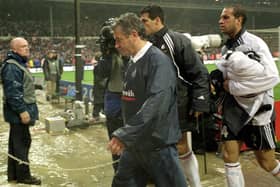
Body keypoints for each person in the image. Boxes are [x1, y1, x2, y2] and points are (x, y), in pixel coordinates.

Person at [107, 13, 187, 187]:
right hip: (136, 145)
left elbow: (156, 104)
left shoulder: (158, 62)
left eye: (119, 39)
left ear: (134, 34)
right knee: (122, 182)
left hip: (157, 146)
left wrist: (124, 134)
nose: (116, 45)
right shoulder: (132, 61)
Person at [140, 5, 210, 187]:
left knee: (181, 148)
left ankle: (195, 184)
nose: (142, 25)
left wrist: (199, 102)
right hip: (156, 106)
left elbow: (199, 73)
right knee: (160, 148)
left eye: (144, 21)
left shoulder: (176, 41)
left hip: (178, 104)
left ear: (157, 20)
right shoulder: (146, 45)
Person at [218, 4, 280, 186]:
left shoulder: (255, 43)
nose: (220, 21)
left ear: (239, 20)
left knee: (266, 162)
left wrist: (234, 87)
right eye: (221, 17)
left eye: (226, 17)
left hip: (258, 109)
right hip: (234, 109)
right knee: (229, 155)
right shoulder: (225, 47)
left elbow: (272, 77)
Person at [1, 37, 41, 185]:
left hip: (17, 113)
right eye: (23, 46)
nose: (27, 48)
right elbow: (13, 93)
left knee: (15, 143)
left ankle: (14, 175)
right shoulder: (12, 66)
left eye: (27, 46)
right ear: (14, 50)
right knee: (22, 144)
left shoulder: (17, 64)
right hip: (18, 114)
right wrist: (22, 111)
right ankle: (24, 176)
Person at [93, 18, 129, 172]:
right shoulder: (108, 55)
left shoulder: (131, 49)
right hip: (115, 100)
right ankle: (120, 172)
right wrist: (106, 54)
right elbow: (100, 74)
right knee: (116, 140)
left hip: (133, 100)